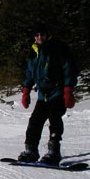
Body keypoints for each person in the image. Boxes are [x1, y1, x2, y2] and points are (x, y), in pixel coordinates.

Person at [17, 23, 77, 165]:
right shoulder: (34, 51)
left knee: (54, 118)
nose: (39, 37)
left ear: (47, 35)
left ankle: (54, 151)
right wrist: (26, 90)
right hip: (42, 94)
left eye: (42, 34)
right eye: (37, 35)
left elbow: (69, 68)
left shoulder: (57, 48)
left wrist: (68, 90)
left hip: (57, 92)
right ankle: (31, 150)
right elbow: (30, 73)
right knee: (35, 122)